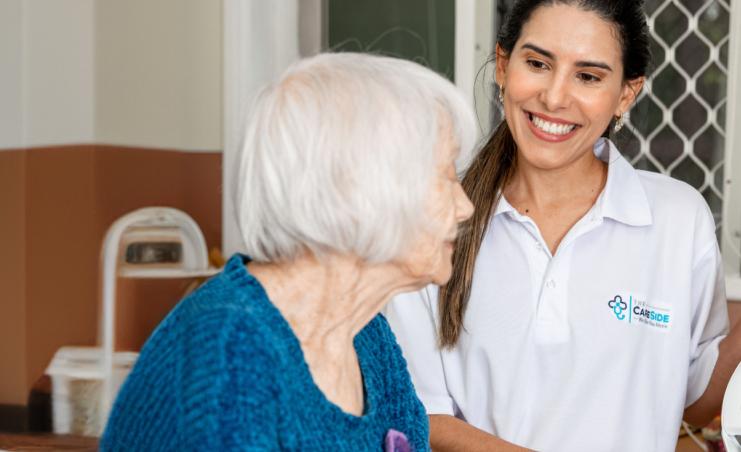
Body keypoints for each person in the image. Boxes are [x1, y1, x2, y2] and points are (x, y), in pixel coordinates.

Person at [383, 0, 741, 451]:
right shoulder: (436, 221)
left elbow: (695, 404)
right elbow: (420, 416)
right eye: (537, 64)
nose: (554, 97)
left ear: (626, 94)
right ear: (502, 65)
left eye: (588, 76)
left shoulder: (678, 221)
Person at [100, 53, 477, 451]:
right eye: (446, 177)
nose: (465, 206)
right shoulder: (230, 353)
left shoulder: (367, 336)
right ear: (358, 195)